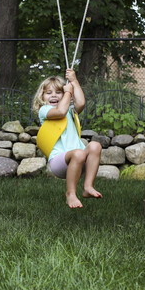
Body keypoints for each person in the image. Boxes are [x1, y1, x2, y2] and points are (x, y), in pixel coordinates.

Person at [33, 69, 102, 208]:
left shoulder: (70, 110)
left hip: (80, 159)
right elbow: (60, 111)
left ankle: (87, 186)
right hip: (59, 161)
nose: (54, 95)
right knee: (79, 153)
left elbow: (81, 104)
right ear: (42, 96)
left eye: (59, 92)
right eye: (49, 93)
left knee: (95, 145)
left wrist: (74, 81)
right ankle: (70, 194)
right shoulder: (45, 110)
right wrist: (68, 92)